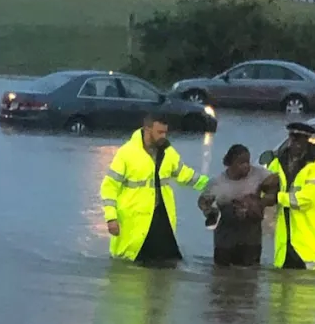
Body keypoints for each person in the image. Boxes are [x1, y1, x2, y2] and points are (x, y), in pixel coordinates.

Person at [100, 113, 209, 264]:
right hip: (134, 223)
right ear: (147, 129)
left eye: (165, 132)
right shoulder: (126, 154)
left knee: (166, 268)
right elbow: (109, 187)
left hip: (162, 220)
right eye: (159, 132)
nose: (163, 136)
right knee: (130, 270)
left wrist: (211, 185)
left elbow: (185, 174)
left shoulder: (168, 152)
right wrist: (111, 218)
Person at [198, 144, 279, 267]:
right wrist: (210, 212)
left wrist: (259, 203)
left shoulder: (258, 174)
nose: (246, 166)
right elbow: (202, 202)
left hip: (251, 240)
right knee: (222, 276)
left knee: (251, 276)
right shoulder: (217, 184)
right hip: (225, 240)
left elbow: (275, 187)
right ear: (230, 164)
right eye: (241, 163)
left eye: (247, 162)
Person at [265, 122, 315, 270]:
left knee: (306, 291)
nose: (296, 143)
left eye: (300, 139)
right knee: (279, 288)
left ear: (307, 140)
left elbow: (307, 198)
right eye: (294, 138)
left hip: (308, 242)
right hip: (285, 240)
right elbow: (265, 183)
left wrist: (277, 198)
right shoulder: (279, 160)